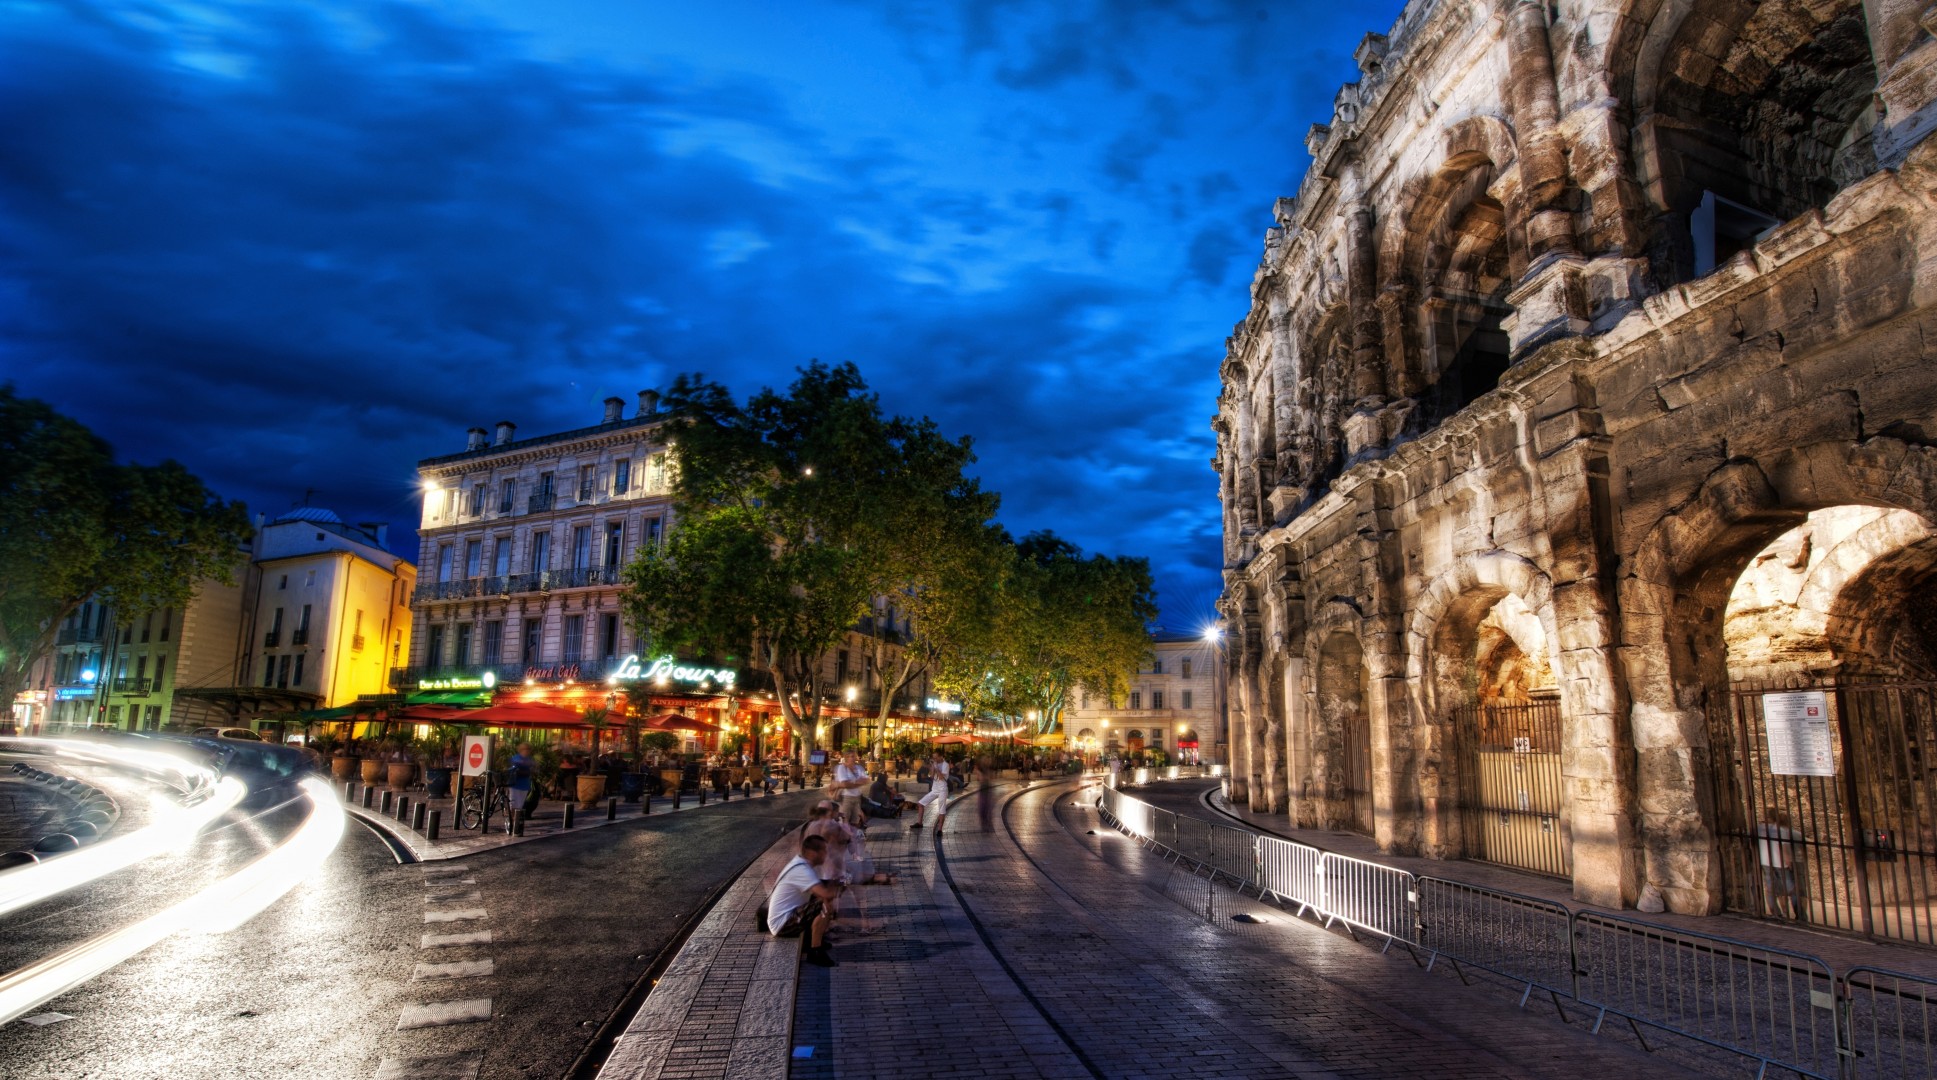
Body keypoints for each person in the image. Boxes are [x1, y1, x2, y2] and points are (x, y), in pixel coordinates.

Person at [767, 833, 842, 967]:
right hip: (783, 924)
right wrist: (840, 886)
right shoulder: (802, 870)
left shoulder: (800, 863)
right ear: (813, 853)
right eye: (824, 850)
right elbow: (826, 893)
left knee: (821, 898)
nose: (826, 854)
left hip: (787, 917)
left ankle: (813, 940)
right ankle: (815, 951)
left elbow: (819, 886)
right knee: (823, 902)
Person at [1757, 811, 1804, 919]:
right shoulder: (1780, 830)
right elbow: (1784, 848)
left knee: (1770, 889)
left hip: (1765, 861)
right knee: (1791, 888)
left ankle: (1776, 913)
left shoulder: (1759, 828)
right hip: (1779, 862)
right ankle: (1799, 914)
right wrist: (1788, 861)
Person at [912, 751, 949, 830]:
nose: (934, 759)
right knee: (920, 803)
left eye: (936, 757)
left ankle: (939, 830)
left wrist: (936, 768)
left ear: (941, 756)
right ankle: (919, 823)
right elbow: (932, 777)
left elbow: (941, 777)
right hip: (934, 789)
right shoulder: (935, 764)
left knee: (941, 810)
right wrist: (932, 767)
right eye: (933, 757)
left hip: (942, 789)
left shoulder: (946, 765)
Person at [833, 750, 869, 826]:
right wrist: (858, 782)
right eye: (850, 756)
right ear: (846, 757)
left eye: (853, 756)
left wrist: (851, 783)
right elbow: (844, 784)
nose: (852, 758)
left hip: (857, 798)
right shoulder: (842, 768)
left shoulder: (859, 768)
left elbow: (866, 780)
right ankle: (845, 837)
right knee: (844, 821)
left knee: (856, 821)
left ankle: (853, 837)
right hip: (846, 798)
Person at [507, 743, 536, 821]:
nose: (526, 751)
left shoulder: (530, 759)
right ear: (521, 750)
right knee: (513, 802)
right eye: (525, 749)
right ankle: (512, 819)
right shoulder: (516, 758)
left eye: (528, 750)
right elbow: (512, 767)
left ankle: (516, 820)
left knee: (520, 804)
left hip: (524, 784)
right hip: (515, 784)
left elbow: (534, 768)